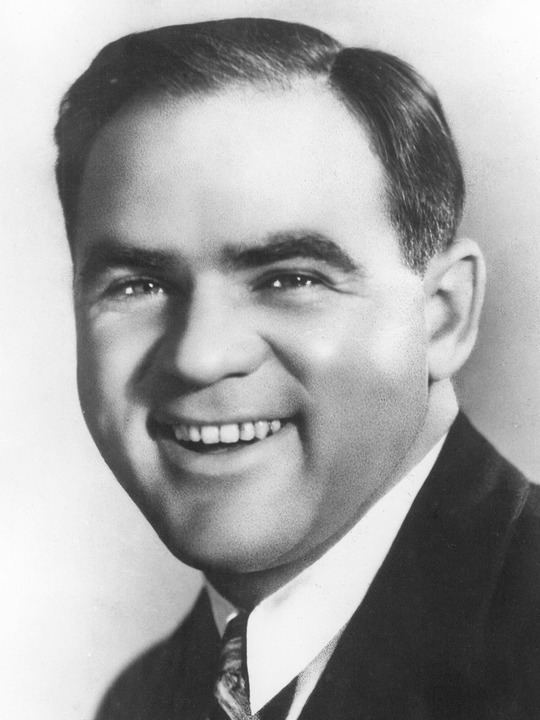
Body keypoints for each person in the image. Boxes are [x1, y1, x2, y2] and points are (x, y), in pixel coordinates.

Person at [54, 17, 540, 720]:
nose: (199, 356)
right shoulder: (142, 700)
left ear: (442, 315)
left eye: (289, 279)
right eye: (138, 286)